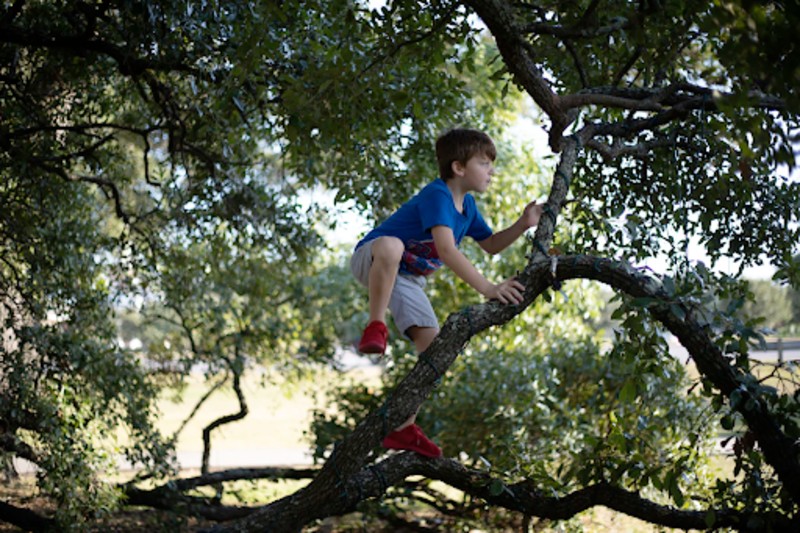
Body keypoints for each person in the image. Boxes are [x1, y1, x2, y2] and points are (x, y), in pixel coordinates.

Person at [350, 128, 543, 458]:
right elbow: (447, 250)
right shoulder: (438, 195)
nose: (491, 171)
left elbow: (492, 245)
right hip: (374, 259)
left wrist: (523, 224)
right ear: (458, 168)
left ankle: (403, 427)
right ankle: (375, 325)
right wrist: (490, 288)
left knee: (434, 345)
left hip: (407, 279)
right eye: (484, 163)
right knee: (392, 244)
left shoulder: (467, 208)